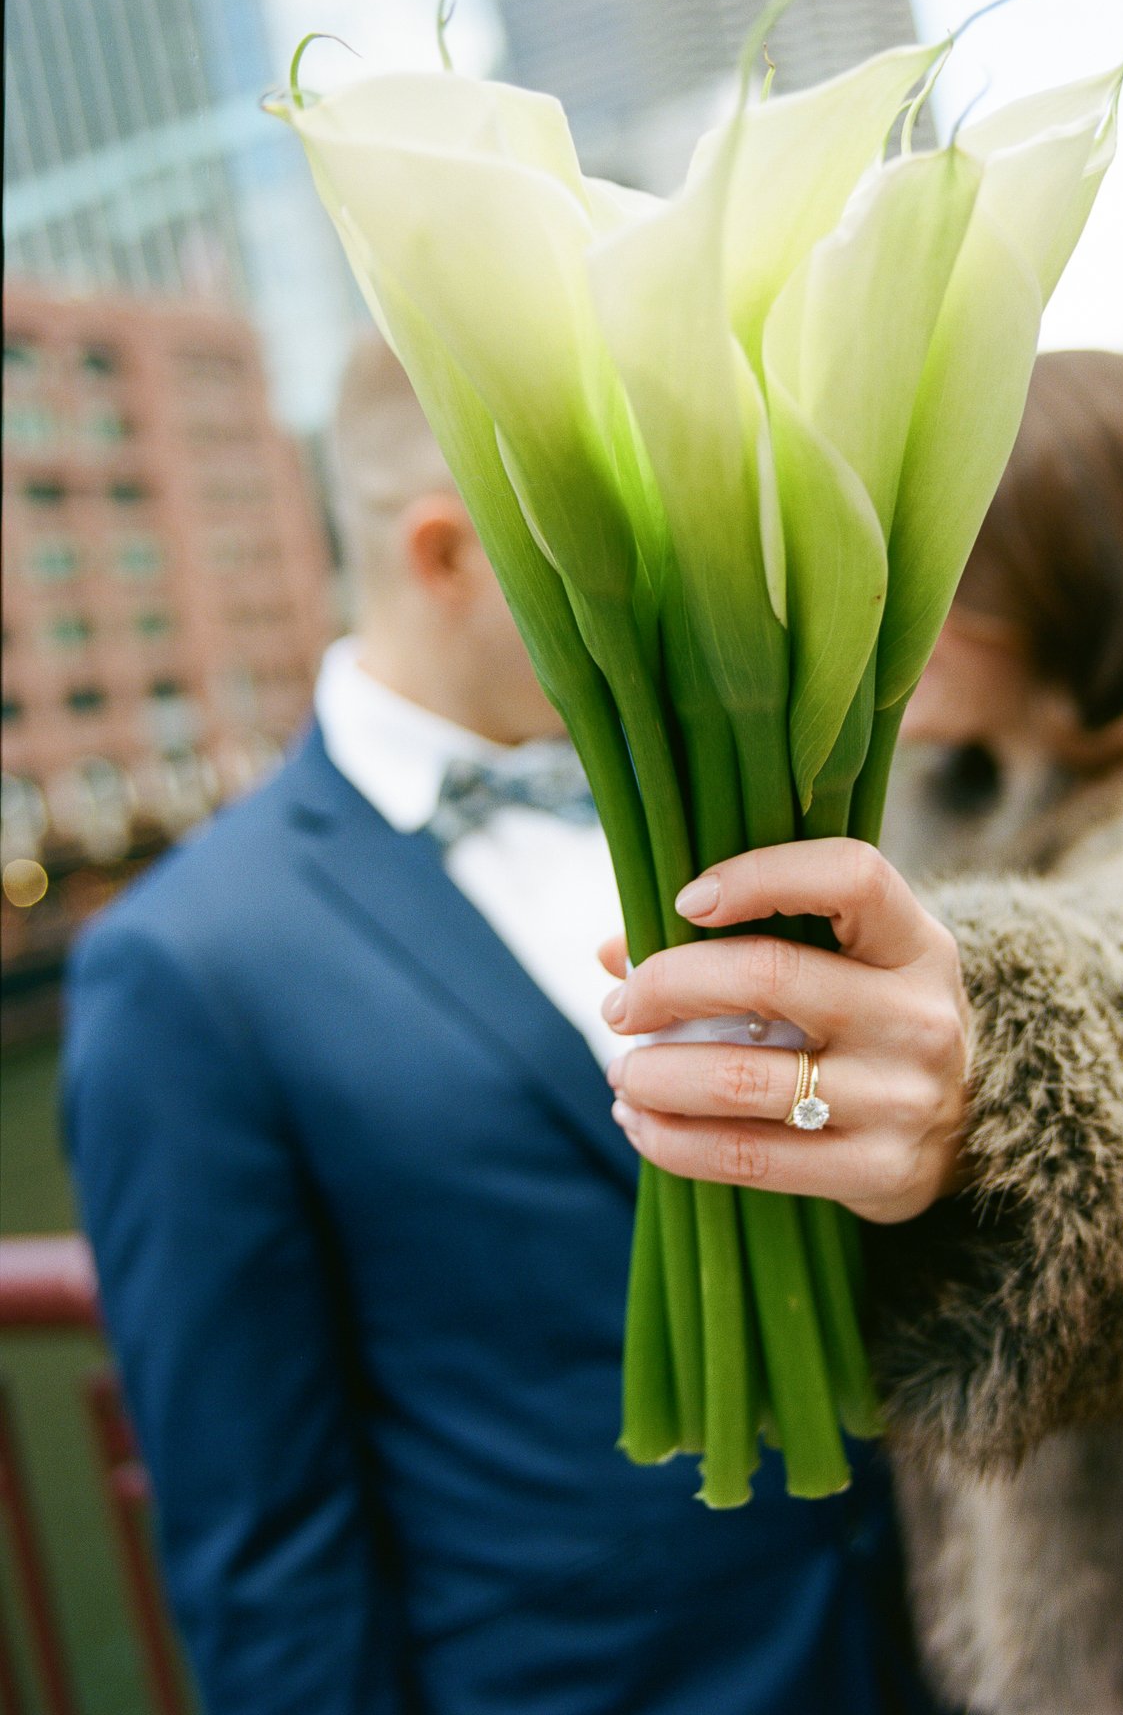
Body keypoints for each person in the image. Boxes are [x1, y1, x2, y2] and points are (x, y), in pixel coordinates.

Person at [63, 334, 936, 1715]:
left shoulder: (748, 808)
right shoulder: (182, 968)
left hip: (906, 1645)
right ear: (453, 555)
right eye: (642, 546)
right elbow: (263, 1543)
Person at [599, 351, 1123, 1715]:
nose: (857, 600)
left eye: (916, 556)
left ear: (1066, 579)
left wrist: (995, 1061)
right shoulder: (937, 796)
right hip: (1057, 1652)